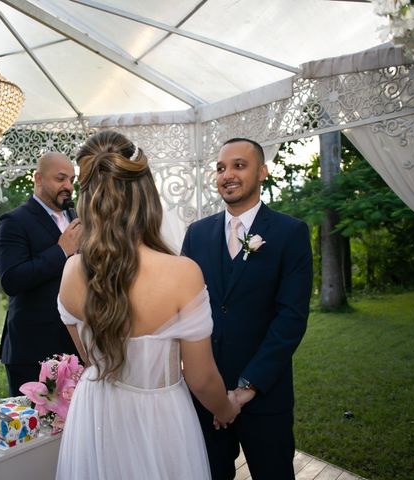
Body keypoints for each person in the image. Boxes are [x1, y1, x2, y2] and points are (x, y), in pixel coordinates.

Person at [55, 131, 240, 480]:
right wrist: (226, 408)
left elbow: (90, 358)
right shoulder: (182, 273)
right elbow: (201, 378)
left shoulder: (70, 272)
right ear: (145, 195)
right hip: (159, 419)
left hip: (95, 413)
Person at [181, 138, 313, 479]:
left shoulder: (290, 232)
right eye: (221, 168)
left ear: (262, 172)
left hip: (265, 396)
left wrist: (245, 390)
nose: (228, 175)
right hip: (204, 396)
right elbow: (182, 309)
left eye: (239, 165)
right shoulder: (197, 234)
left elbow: (291, 318)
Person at [0, 152, 82, 396]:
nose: (68, 186)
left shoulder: (75, 219)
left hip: (75, 346)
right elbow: (11, 279)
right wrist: (62, 250)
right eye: (61, 178)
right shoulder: (13, 221)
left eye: (72, 180)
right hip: (32, 351)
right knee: (36, 431)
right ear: (39, 178)